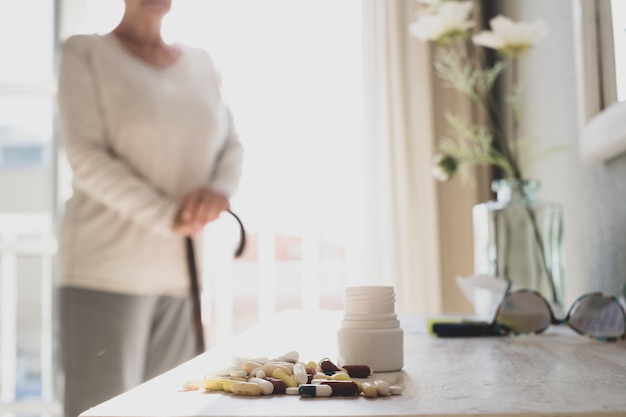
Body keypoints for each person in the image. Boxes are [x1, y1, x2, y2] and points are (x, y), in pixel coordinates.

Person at [55, 1, 244, 416]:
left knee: (175, 409)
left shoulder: (201, 62)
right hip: (103, 272)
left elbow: (231, 145)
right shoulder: (85, 52)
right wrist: (167, 215)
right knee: (99, 410)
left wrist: (218, 192)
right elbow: (86, 157)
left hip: (183, 276)